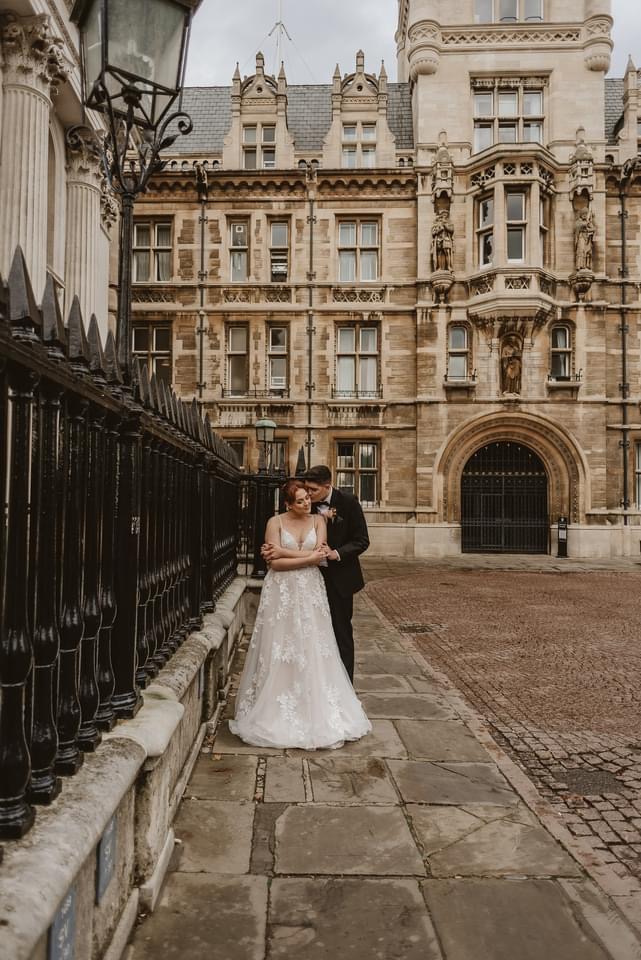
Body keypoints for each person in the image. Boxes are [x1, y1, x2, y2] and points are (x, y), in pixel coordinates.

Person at [229, 479, 371, 750]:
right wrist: (300, 558)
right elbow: (275, 564)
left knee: (313, 646)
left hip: (310, 591)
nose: (308, 503)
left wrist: (286, 552)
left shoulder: (319, 521)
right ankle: (276, 703)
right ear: (288, 505)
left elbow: (320, 555)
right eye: (301, 500)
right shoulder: (275, 522)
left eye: (308, 498)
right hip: (282, 590)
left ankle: (314, 704)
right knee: (282, 645)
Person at [297, 465, 370, 683]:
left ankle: (345, 684)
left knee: (341, 633)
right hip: (311, 577)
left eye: (312, 490)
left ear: (327, 486)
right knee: (312, 631)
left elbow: (361, 541)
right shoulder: (307, 505)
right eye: (306, 489)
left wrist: (336, 553)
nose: (308, 495)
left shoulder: (348, 502)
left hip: (340, 580)